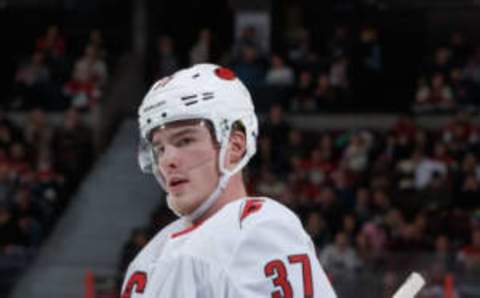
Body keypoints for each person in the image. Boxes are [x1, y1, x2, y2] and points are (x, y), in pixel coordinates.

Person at [121, 63, 337, 297]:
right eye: (159, 148)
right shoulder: (152, 253)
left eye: (185, 141)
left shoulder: (255, 229)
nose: (167, 161)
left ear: (235, 146)